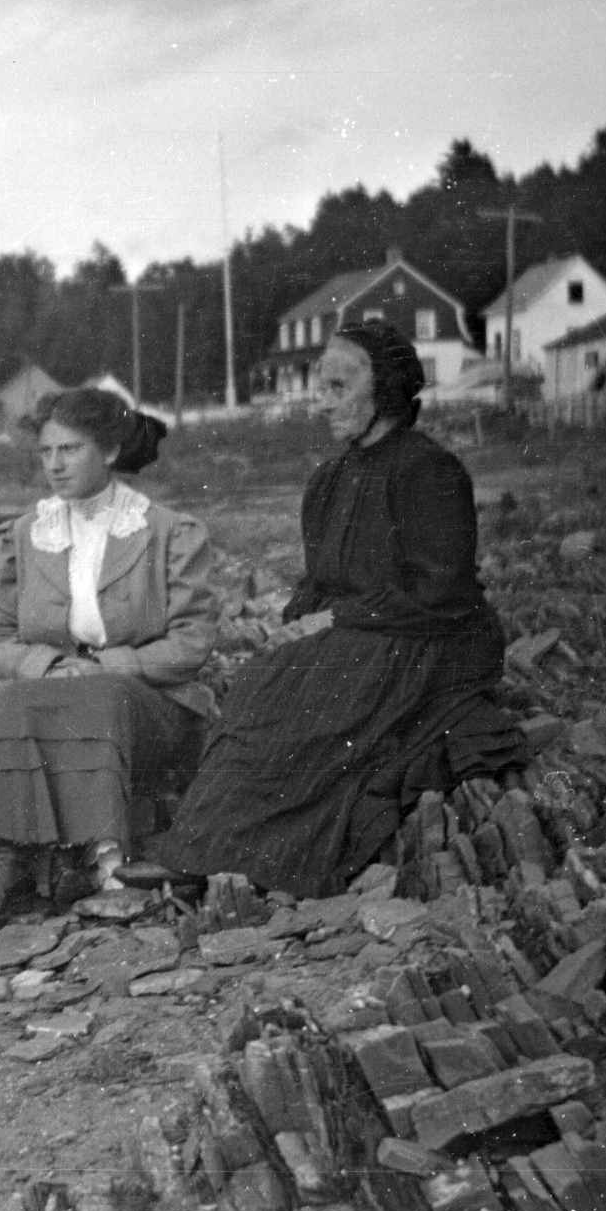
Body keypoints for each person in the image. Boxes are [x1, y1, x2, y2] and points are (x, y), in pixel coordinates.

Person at [141, 323, 522, 898]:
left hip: (435, 641)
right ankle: (207, 847)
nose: (323, 403)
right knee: (264, 679)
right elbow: (319, 582)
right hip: (366, 635)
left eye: (338, 388)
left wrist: (335, 622)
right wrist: (292, 623)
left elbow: (443, 592)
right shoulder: (329, 481)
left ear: (387, 389)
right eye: (322, 389)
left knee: (318, 694)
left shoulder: (428, 470)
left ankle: (258, 859)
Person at [0, 389, 219, 922]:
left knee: (95, 693)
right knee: (12, 700)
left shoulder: (169, 532)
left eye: (69, 450)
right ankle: (2, 855)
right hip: (60, 691)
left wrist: (118, 664)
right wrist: (48, 665)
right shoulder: (25, 536)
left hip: (152, 704)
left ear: (111, 452)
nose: (54, 464)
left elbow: (193, 640)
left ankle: (106, 860)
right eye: (46, 452)